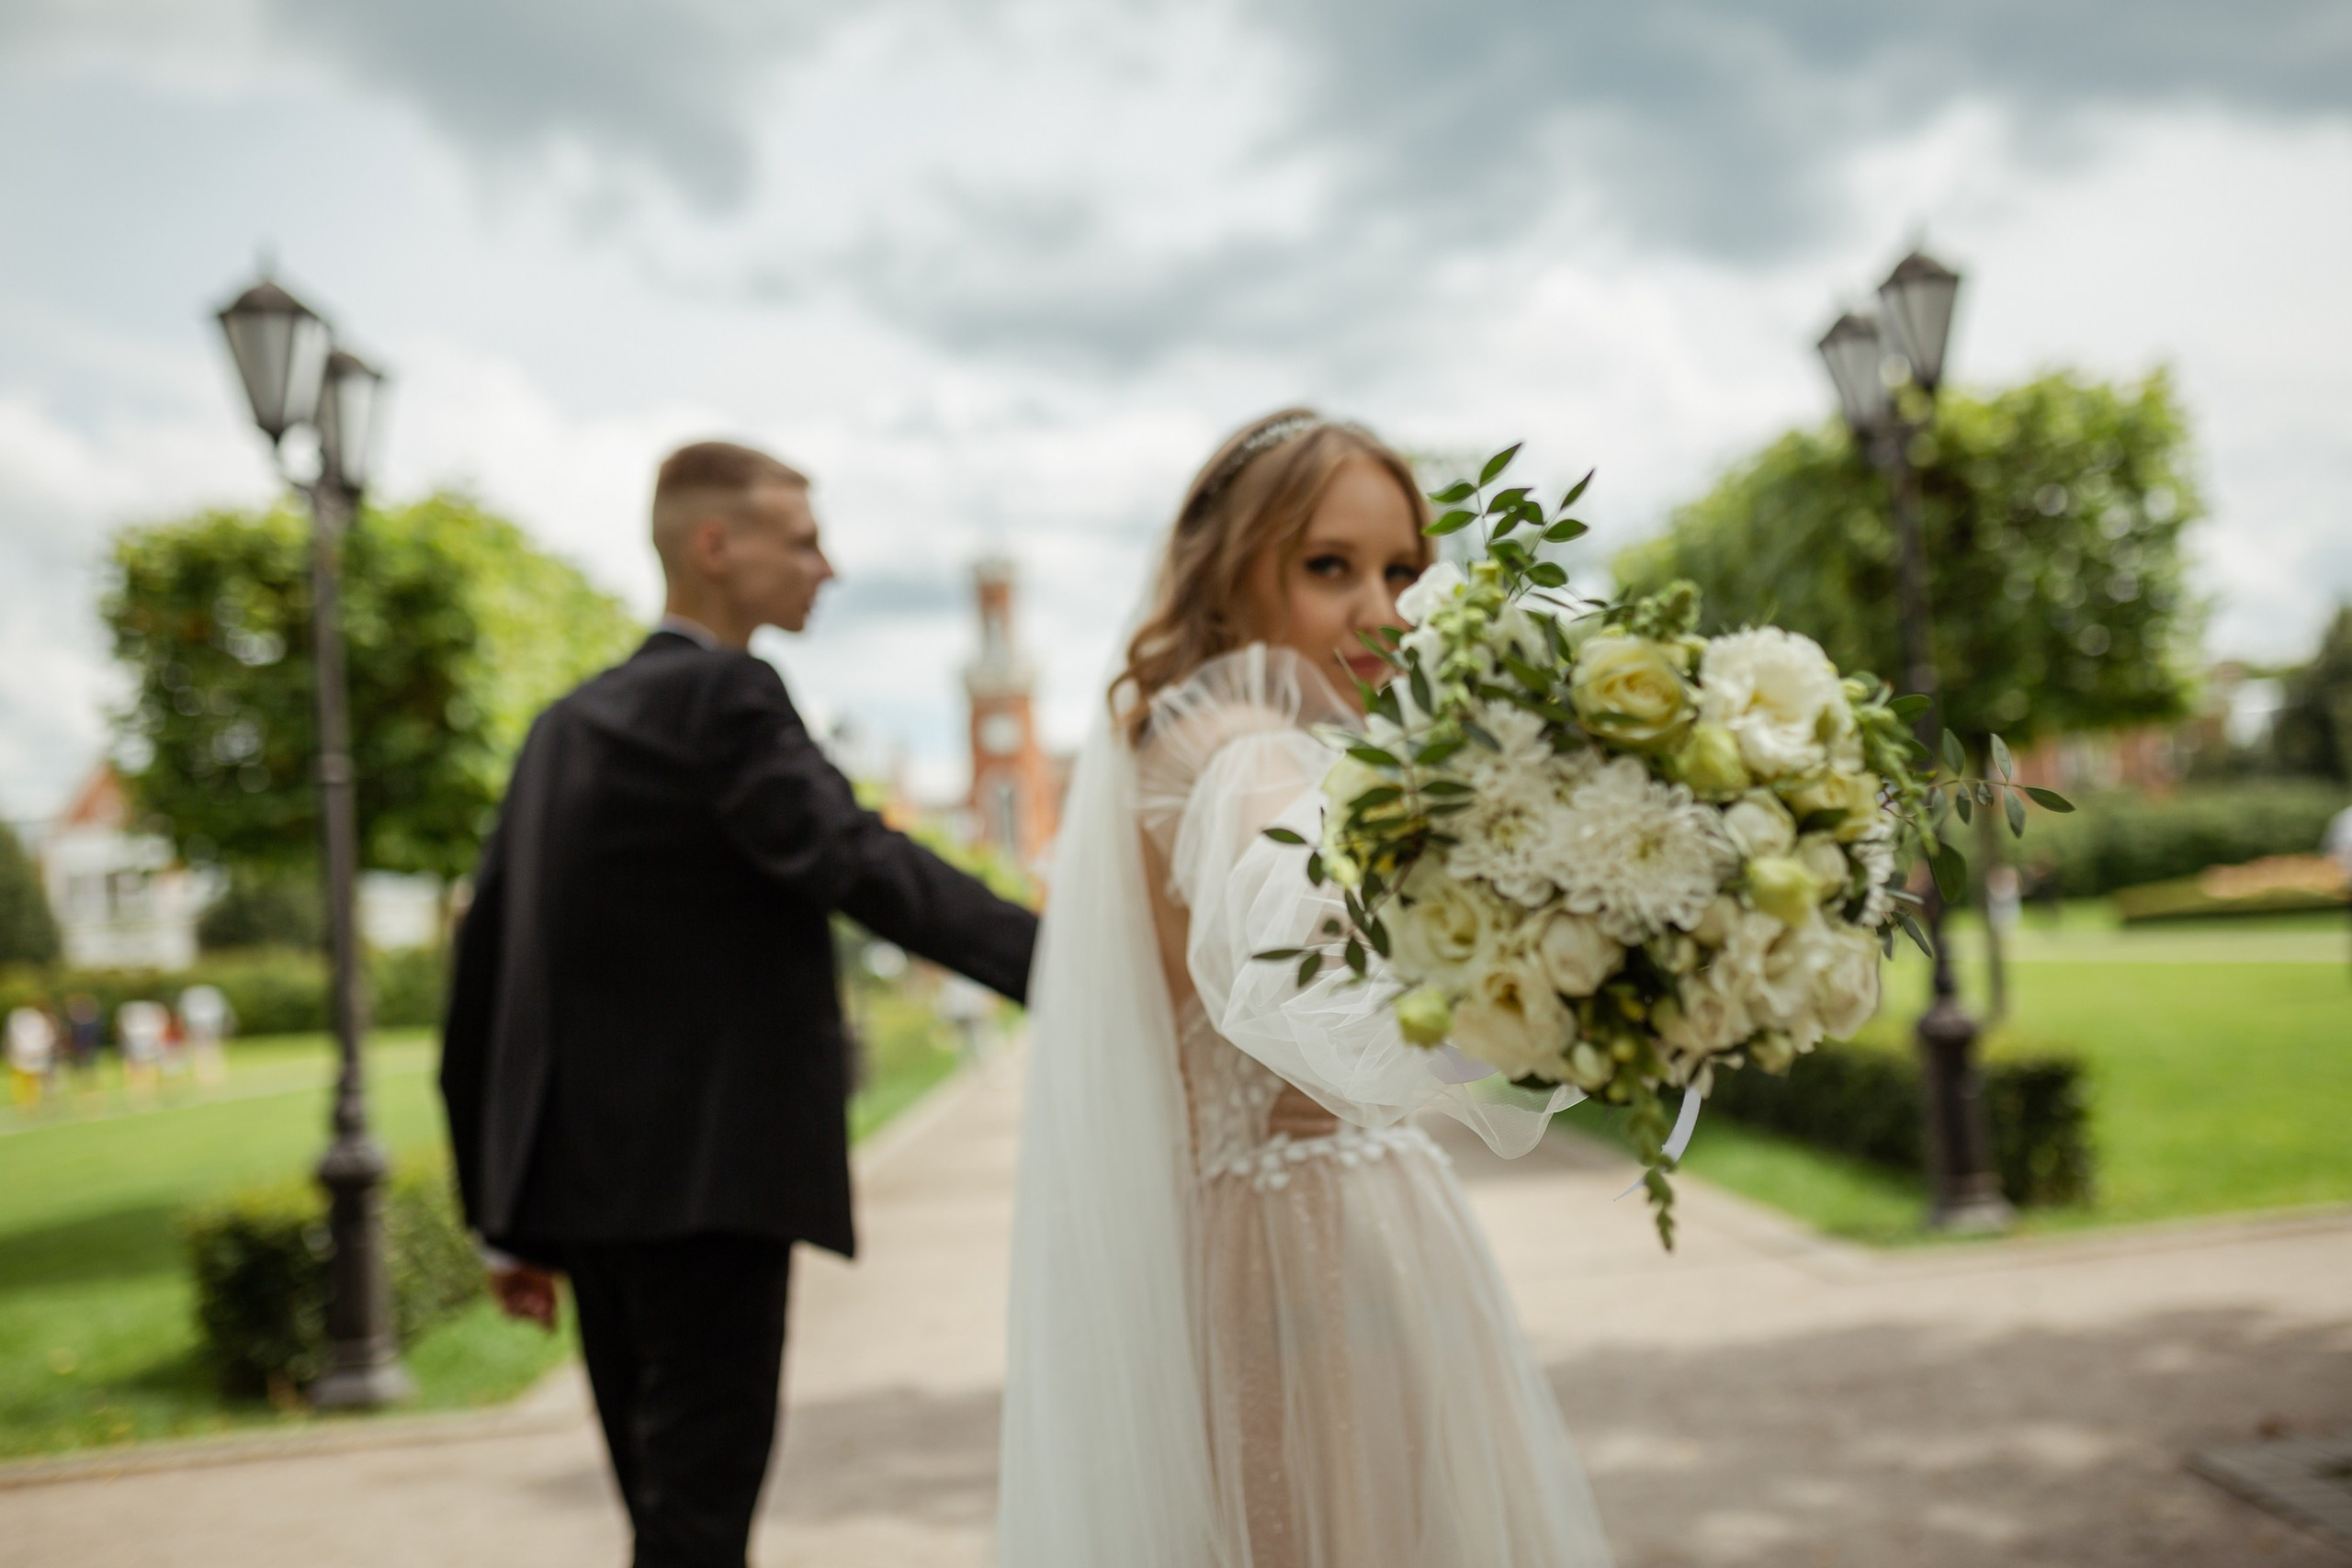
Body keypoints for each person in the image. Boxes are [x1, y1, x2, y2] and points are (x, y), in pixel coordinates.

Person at [998, 411, 1613, 1564]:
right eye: (1327, 567)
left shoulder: (1189, 738)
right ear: (1234, 574)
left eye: (1401, 570)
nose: (1380, 612)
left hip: (1264, 1234)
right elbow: (1338, 1017)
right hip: (1310, 1251)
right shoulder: (1246, 749)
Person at [440, 440, 1038, 1568]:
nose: (829, 567)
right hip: (710, 1192)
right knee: (700, 1527)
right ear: (715, 546)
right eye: (803, 540)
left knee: (664, 1519)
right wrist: (1061, 963)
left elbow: (488, 978)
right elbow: (856, 860)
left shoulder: (561, 727)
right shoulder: (728, 692)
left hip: (582, 1198)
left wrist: (500, 1214)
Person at [178, 983, 234, 1086]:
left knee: (207, 1049)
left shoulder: (192, 995)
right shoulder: (196, 995)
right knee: (203, 1049)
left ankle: (212, 1075)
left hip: (202, 1023)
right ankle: (206, 1075)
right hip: (200, 1023)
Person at [6, 1004, 55, 1109]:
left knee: (33, 1079)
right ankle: (26, 1102)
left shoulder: (36, 1020)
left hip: (33, 1054)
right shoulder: (22, 1019)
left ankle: (32, 1102)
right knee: (24, 1078)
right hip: (26, 1054)